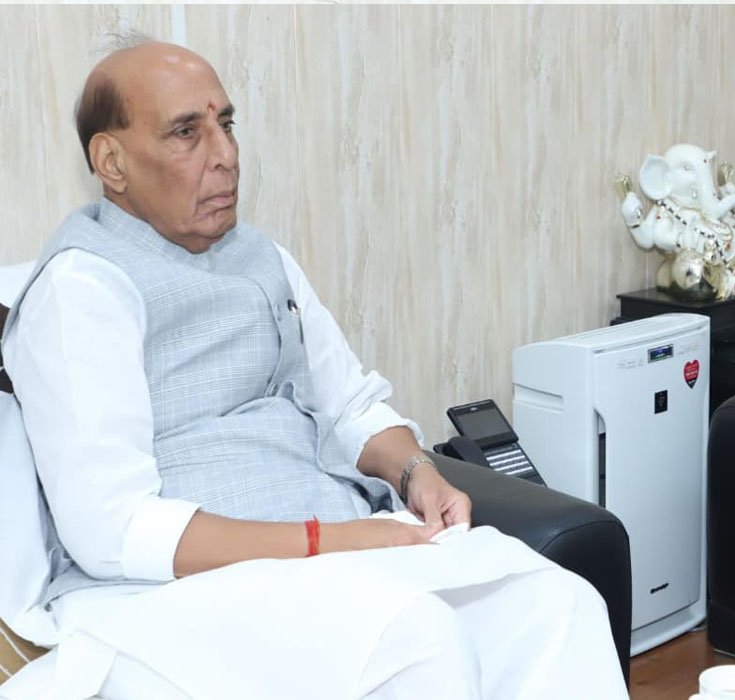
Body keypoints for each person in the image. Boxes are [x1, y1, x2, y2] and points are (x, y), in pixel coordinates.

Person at [0, 40, 626, 699]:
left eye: (226, 124)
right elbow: (113, 529)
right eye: (186, 132)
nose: (225, 154)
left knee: (559, 604)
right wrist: (331, 540)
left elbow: (351, 405)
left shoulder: (261, 257)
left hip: (327, 557)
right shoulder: (80, 291)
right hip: (165, 596)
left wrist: (417, 472)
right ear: (112, 162)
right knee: (415, 640)